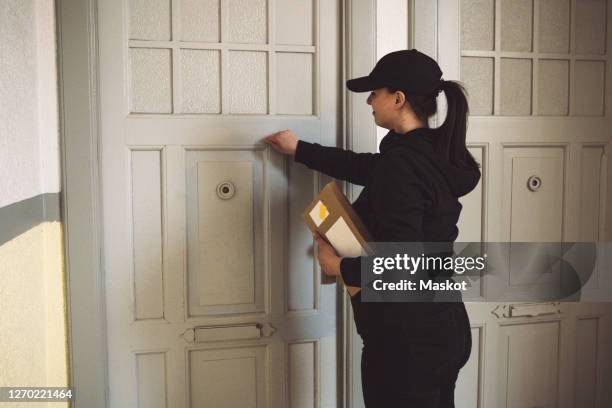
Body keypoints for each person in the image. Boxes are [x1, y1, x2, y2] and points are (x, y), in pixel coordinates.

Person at [263, 49, 480, 407]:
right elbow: (362, 167)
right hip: (444, 326)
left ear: (398, 99)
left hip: (406, 342)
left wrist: (337, 266)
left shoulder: (404, 164)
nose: (368, 102)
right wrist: (299, 149)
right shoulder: (429, 154)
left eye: (375, 93)